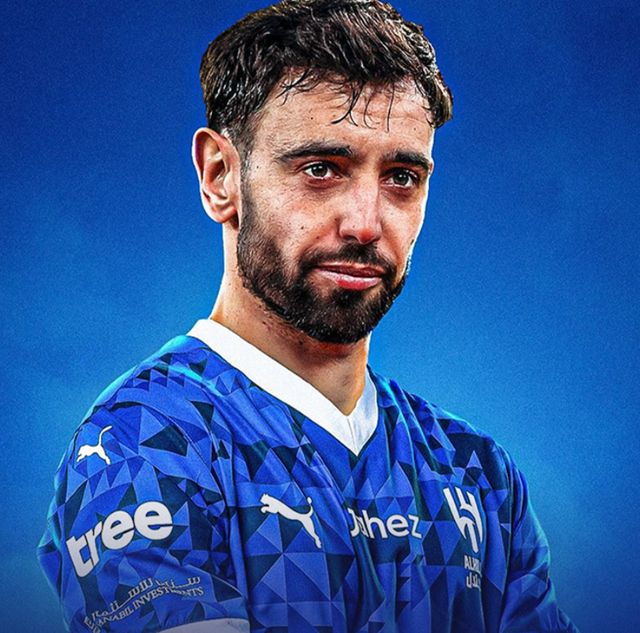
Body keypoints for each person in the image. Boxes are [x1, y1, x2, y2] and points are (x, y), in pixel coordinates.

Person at [38, 1, 579, 632]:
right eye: (321, 169)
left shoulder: (477, 472)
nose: (366, 224)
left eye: (402, 177)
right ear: (220, 176)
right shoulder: (142, 444)